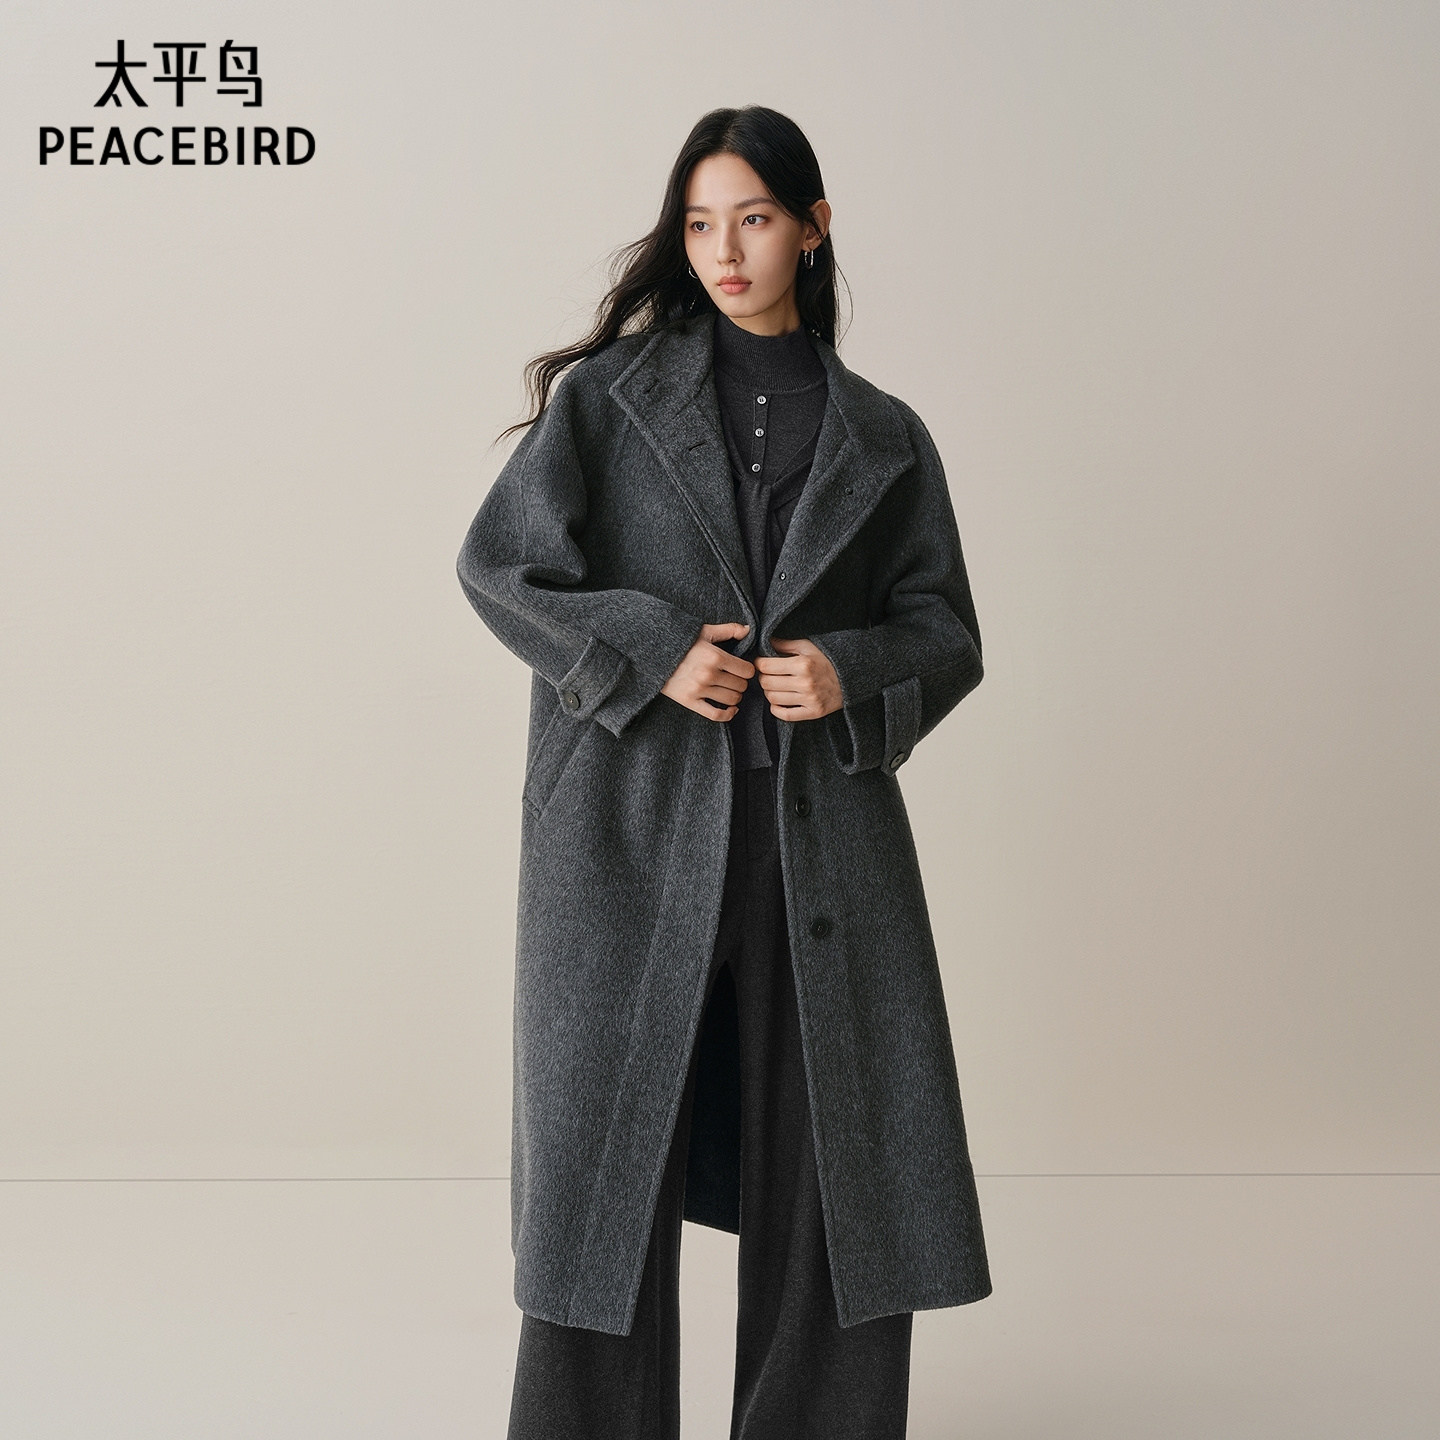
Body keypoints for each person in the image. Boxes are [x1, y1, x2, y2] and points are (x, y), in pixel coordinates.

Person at [457, 104, 991, 1440]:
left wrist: (850, 672)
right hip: (630, 830)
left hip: (821, 846)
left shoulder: (886, 435)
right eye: (701, 224)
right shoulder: (611, 399)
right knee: (602, 1176)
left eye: (753, 218)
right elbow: (501, 567)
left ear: (814, 227)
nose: (725, 252)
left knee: (835, 1172)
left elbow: (946, 631)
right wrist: (650, 653)